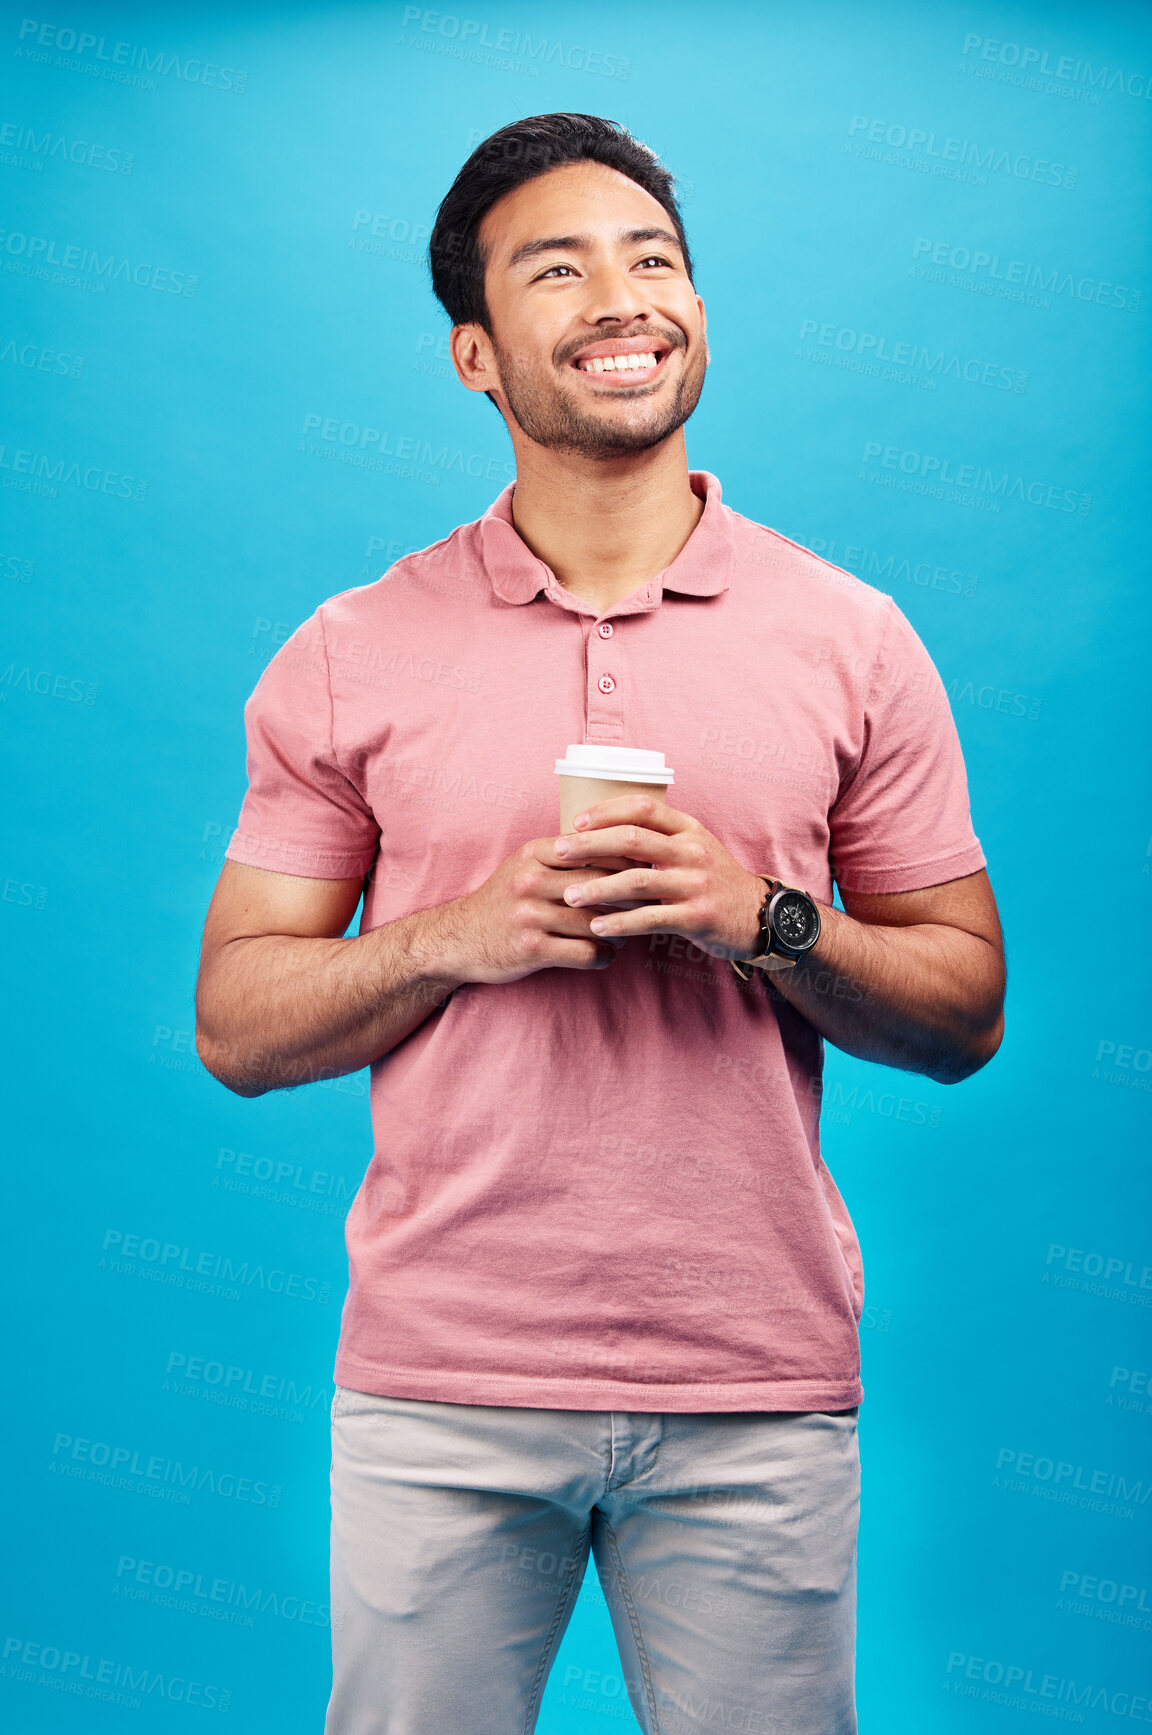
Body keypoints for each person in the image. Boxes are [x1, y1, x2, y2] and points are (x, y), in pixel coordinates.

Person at [196, 112, 1004, 1735]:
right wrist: (452, 935)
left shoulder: (853, 638)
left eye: (655, 261)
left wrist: (762, 919)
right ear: (478, 358)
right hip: (441, 1381)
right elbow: (235, 1023)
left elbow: (965, 1008)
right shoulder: (353, 650)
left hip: (755, 1384)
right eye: (558, 269)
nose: (624, 297)